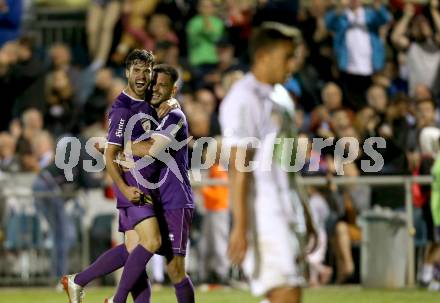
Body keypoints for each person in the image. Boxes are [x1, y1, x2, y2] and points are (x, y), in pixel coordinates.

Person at [61, 50, 177, 303]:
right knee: (152, 241)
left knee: (134, 251)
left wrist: (168, 107)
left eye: (147, 71)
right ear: (126, 72)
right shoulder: (122, 109)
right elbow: (110, 153)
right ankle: (115, 298)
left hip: (146, 180)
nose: (142, 76)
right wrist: (124, 189)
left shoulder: (147, 101)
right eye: (136, 70)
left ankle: (78, 281)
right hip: (134, 184)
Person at [219, 22, 317, 303]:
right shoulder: (242, 98)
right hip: (263, 213)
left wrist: (305, 210)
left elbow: (287, 164)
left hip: (288, 207)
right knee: (286, 291)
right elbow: (240, 166)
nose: (292, 65)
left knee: (284, 292)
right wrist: (240, 225)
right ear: (263, 56)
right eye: (287, 56)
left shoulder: (282, 97)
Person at [108, 63, 195, 303]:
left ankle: (112, 297)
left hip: (175, 199)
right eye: (153, 83)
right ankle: (83, 282)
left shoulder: (175, 116)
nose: (155, 89)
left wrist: (114, 146)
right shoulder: (149, 113)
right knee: (134, 248)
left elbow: (153, 150)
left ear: (173, 91)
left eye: (162, 85)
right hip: (153, 197)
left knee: (175, 269)